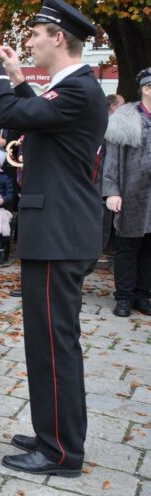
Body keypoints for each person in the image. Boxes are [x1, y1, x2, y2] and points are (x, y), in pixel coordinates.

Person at [0, 0, 106, 477]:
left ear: (59, 38)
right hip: (61, 231)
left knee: (52, 343)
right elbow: (41, 118)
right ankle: (54, 432)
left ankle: (61, 453)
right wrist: (20, 81)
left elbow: (9, 116)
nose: (27, 41)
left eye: (34, 34)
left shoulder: (79, 89)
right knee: (48, 341)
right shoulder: (74, 88)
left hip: (60, 234)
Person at [103, 69, 151, 317]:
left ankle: (143, 295)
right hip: (131, 195)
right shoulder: (125, 118)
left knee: (149, 249)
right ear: (145, 88)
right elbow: (111, 160)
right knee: (128, 248)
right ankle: (123, 297)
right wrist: (112, 191)